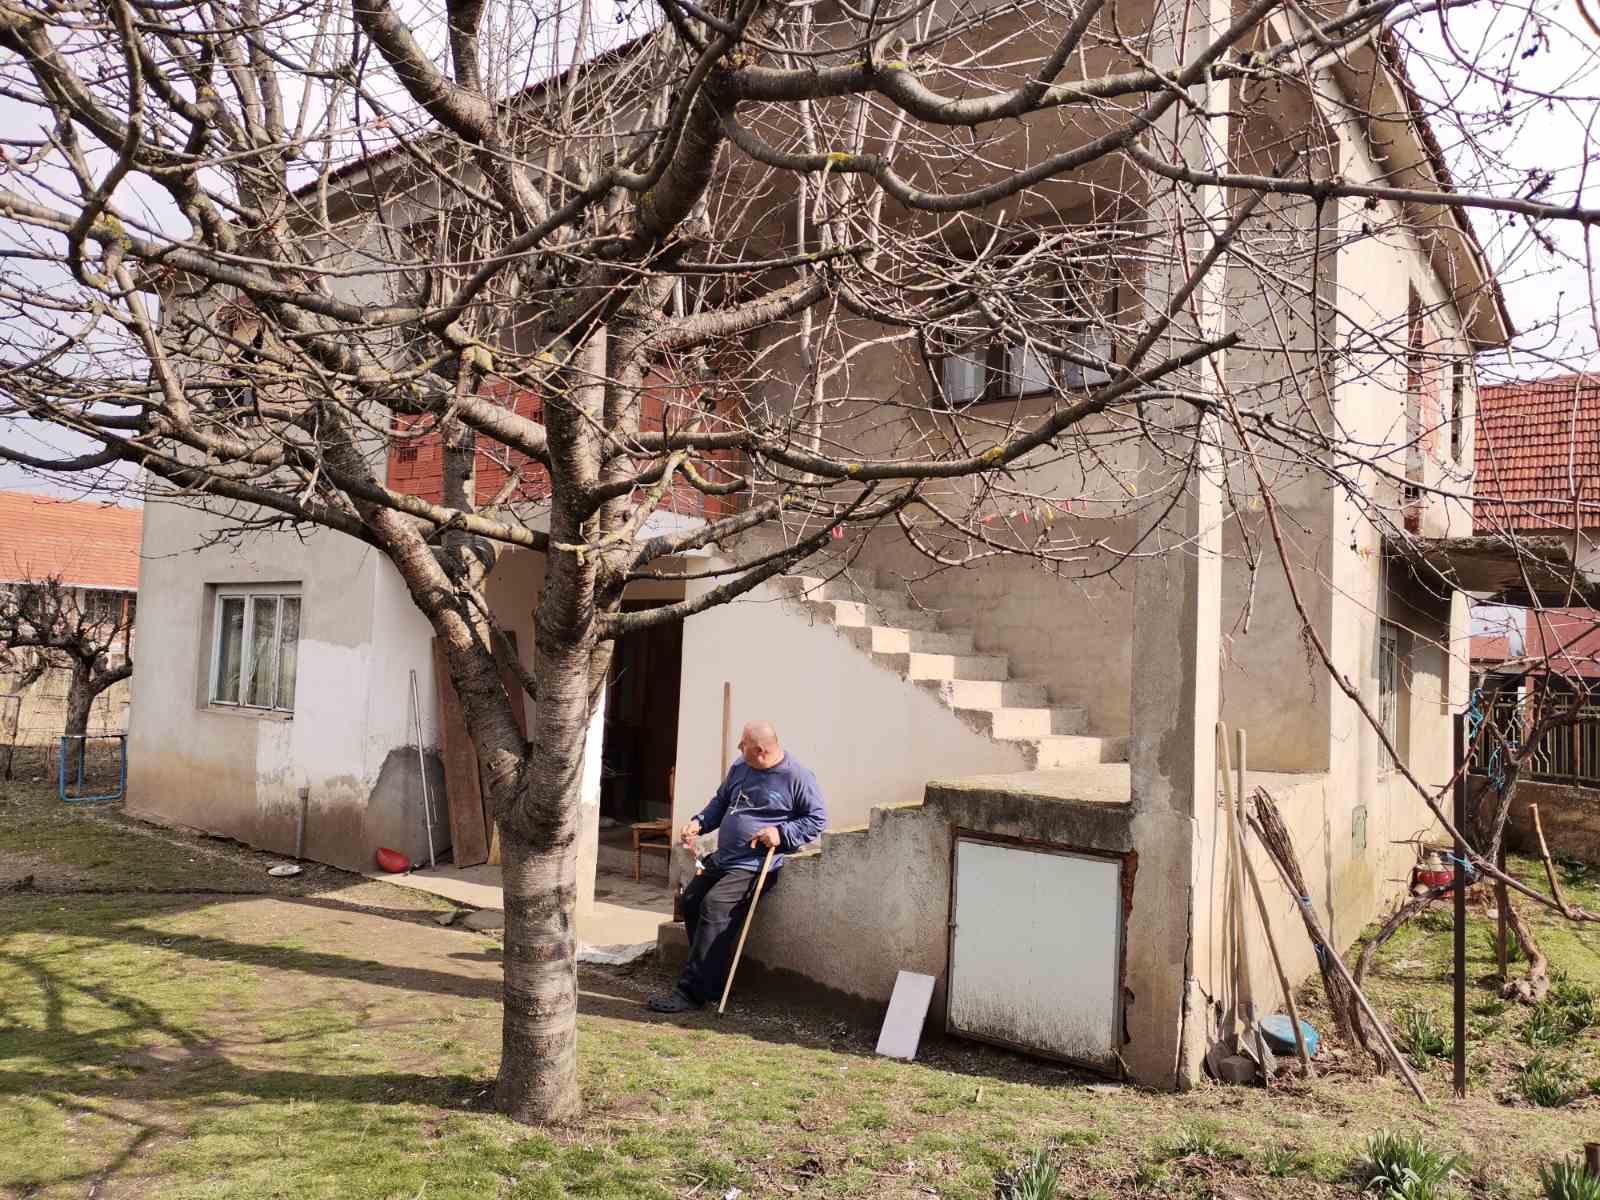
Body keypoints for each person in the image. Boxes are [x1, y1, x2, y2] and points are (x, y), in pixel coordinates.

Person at [647, 720, 826, 1012]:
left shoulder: (798, 777)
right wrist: (700, 822)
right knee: (691, 900)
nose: (739, 748)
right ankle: (709, 981)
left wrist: (780, 834)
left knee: (715, 906)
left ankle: (691, 993)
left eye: (743, 744)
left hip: (756, 864)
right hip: (725, 856)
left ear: (761, 750)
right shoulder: (741, 768)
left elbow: (816, 820)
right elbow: (720, 802)